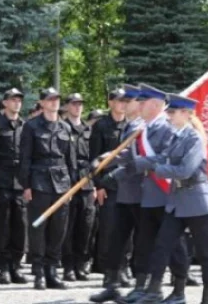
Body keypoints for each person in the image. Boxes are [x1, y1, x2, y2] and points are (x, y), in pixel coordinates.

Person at [131, 94, 208, 304]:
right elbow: (161, 157)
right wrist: (136, 162)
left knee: (206, 253)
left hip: (197, 201)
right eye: (168, 111)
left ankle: (207, 298)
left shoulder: (195, 139)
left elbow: (185, 170)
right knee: (162, 245)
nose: (167, 115)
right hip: (177, 201)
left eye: (172, 112)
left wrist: (156, 169)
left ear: (186, 114)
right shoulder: (177, 136)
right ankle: (162, 292)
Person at [19, 87, 78, 290]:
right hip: (39, 181)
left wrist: (71, 185)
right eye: (50, 99)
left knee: (58, 229)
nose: (54, 103)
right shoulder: (31, 126)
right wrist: (26, 185)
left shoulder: (65, 127)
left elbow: (71, 160)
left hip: (61, 183)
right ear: (42, 103)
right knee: (39, 228)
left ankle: (52, 270)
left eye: (56, 99)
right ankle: (38, 272)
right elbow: (25, 158)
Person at [89, 87, 133, 301]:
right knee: (109, 230)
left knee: (127, 231)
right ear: (110, 103)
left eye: (125, 101)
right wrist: (98, 185)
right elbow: (94, 158)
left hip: (127, 184)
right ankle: (109, 272)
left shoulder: (131, 125)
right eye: (118, 100)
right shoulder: (100, 126)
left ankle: (123, 267)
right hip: (109, 185)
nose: (122, 104)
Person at [0, 87, 29, 285]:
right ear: (5, 102)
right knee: (2, 226)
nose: (17, 103)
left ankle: (16, 265)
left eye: (19, 100)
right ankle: (3, 267)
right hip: (2, 181)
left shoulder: (25, 126)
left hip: (21, 182)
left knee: (20, 226)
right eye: (13, 100)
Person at [62, 92, 98, 282]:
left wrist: (94, 184)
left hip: (86, 181)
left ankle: (80, 264)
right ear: (67, 106)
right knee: (68, 226)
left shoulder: (87, 129)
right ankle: (68, 266)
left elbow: (94, 159)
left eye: (80, 104)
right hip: (67, 181)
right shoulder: (61, 128)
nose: (77, 107)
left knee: (85, 226)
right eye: (74, 104)